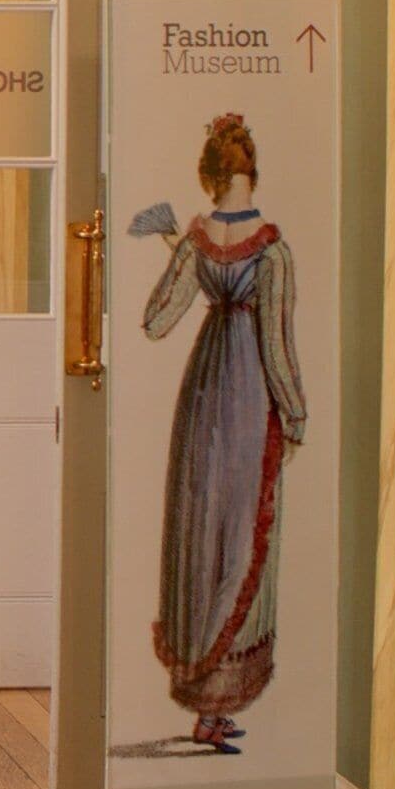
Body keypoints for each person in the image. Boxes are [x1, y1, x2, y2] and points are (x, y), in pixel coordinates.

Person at [129, 111, 306, 752]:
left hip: (203, 394)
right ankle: (217, 705)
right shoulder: (274, 252)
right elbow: (278, 345)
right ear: (250, 173)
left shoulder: (199, 243)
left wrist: (189, 261)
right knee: (238, 533)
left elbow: (153, 321)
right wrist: (296, 414)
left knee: (202, 528)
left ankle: (201, 702)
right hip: (250, 396)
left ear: (210, 178)